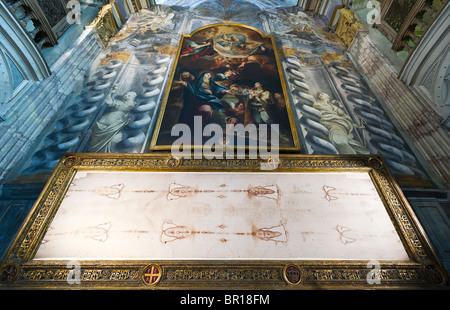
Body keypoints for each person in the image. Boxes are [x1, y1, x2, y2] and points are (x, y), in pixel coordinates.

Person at [89, 86, 136, 153]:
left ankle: (106, 153)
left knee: (115, 139)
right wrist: (109, 93)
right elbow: (109, 102)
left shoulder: (133, 104)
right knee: (99, 135)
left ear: (133, 97)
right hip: (108, 120)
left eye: (129, 95)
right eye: (125, 94)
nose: (126, 96)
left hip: (118, 123)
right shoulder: (118, 102)